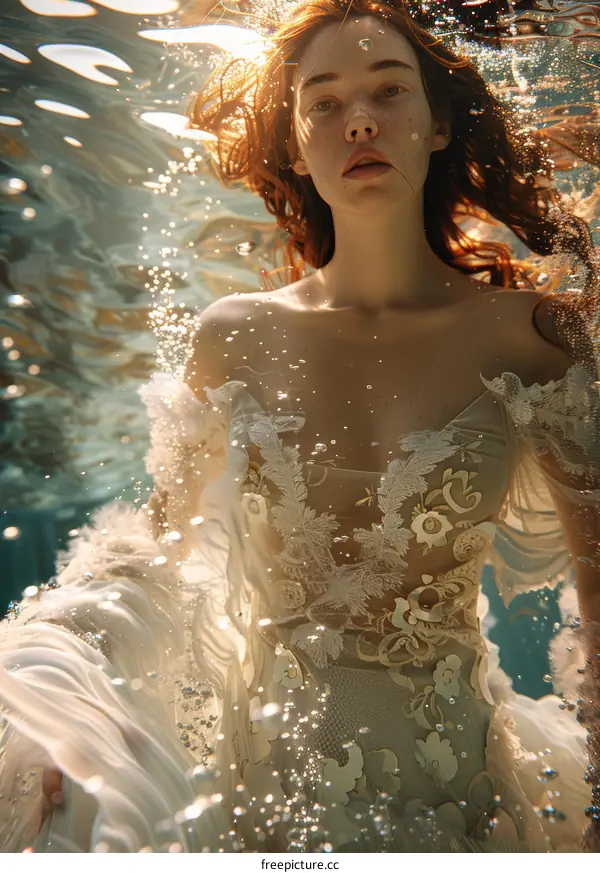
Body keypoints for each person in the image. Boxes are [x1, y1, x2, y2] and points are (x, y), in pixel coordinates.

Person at [1, 0, 599, 854]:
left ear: (435, 124)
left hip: (463, 806)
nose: (358, 117)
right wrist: (64, 720)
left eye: (389, 90)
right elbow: (154, 563)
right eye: (323, 101)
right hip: (264, 803)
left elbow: (599, 597)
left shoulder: (533, 336)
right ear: (294, 141)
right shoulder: (231, 335)